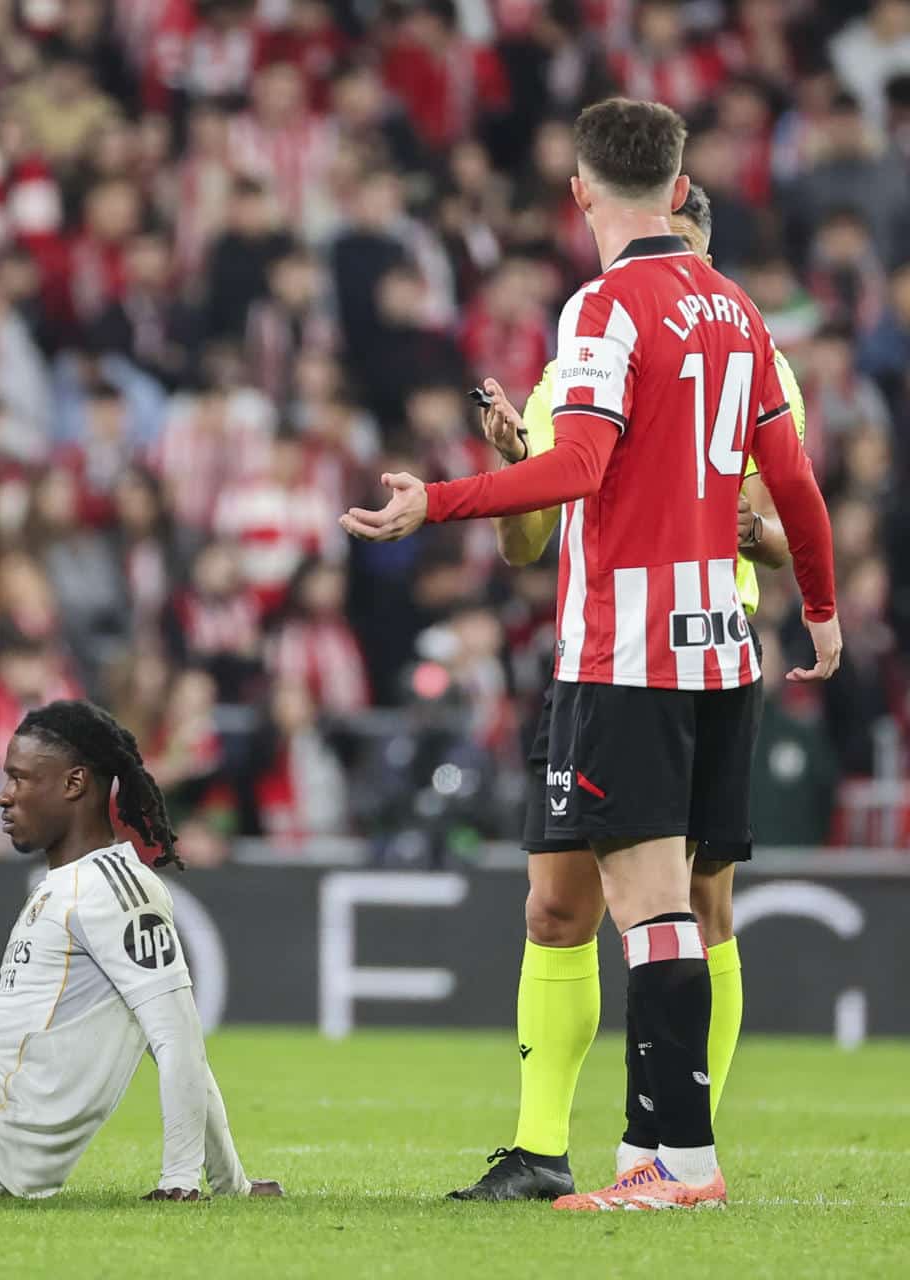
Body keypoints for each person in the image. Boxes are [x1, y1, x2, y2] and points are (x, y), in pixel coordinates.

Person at [340, 99, 841, 1210]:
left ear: (578, 190)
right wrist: (823, 604)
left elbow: (576, 472)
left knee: (655, 909)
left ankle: (674, 1160)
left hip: (627, 652)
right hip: (719, 645)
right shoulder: (740, 309)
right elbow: (795, 480)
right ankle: (651, 1154)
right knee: (643, 907)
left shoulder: (607, 309)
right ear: (675, 185)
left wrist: (438, 499)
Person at [449, 184, 808, 1201]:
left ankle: (673, 1138)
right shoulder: (586, 347)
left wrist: (758, 535)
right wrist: (516, 459)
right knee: (558, 905)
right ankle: (539, 1150)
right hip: (595, 655)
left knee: (698, 903)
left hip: (700, 658)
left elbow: (786, 533)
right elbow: (531, 539)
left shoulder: (752, 352)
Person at [0, 701, 283, 1202]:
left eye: (20, 779)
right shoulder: (66, 886)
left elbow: (178, 1041)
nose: (4, 797)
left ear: (74, 784)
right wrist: (232, 1183)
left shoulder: (117, 893)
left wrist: (180, 1179)